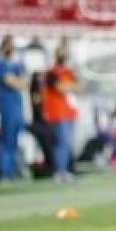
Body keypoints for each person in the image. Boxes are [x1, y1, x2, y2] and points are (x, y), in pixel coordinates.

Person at [0, 35, 28, 183]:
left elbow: (24, 82)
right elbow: (14, 83)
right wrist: (19, 81)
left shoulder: (16, 65)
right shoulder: (1, 64)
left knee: (15, 141)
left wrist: (20, 81)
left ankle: (14, 171)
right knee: (6, 141)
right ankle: (4, 173)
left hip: (17, 106)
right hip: (7, 106)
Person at [43, 45, 80, 183]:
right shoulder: (52, 72)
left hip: (70, 112)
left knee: (68, 143)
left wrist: (69, 86)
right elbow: (59, 88)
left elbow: (78, 86)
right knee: (61, 143)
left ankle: (66, 170)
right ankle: (60, 171)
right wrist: (69, 86)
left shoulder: (69, 72)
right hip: (57, 112)